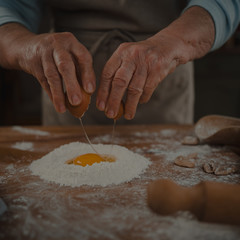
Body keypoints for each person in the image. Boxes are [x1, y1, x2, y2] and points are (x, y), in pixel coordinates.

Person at [0, 0, 239, 125]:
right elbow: (8, 6)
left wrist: (173, 42)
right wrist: (26, 46)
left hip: (163, 93)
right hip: (65, 89)